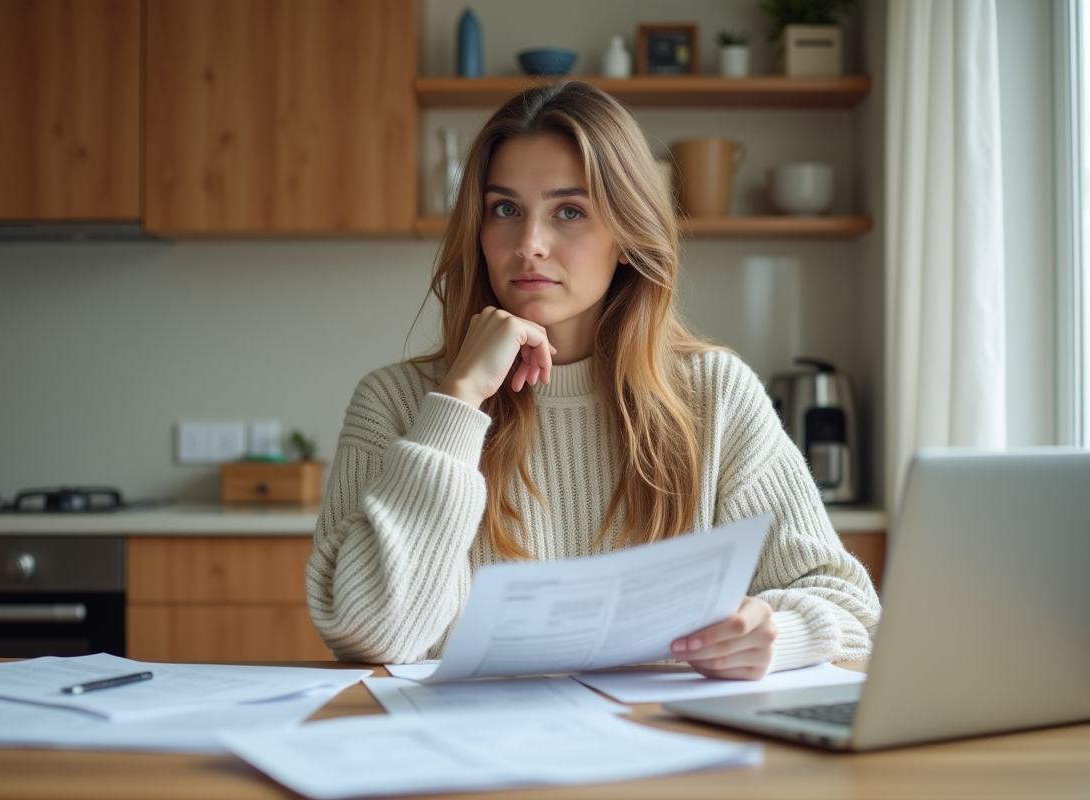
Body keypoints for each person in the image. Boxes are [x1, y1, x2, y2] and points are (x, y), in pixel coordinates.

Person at [307, 81, 879, 679]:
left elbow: (850, 609)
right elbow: (371, 634)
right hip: (469, 764)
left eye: (570, 212)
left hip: (660, 753)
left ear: (627, 238)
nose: (529, 245)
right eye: (505, 209)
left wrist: (774, 632)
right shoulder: (397, 403)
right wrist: (458, 401)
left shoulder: (714, 394)